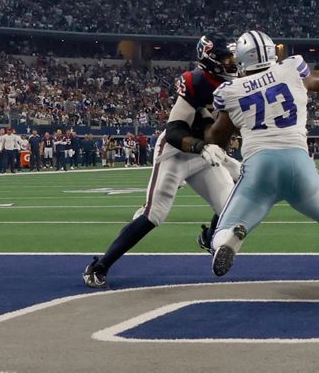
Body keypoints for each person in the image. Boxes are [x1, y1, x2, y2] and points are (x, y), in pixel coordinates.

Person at [205, 30, 319, 291]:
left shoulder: (230, 90)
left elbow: (218, 136)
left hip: (260, 166)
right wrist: (314, 79)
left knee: (219, 234)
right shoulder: (292, 67)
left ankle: (231, 240)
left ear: (241, 60)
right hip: (298, 161)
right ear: (273, 52)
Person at [83, 34, 241, 289]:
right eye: (227, 57)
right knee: (153, 215)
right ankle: (100, 265)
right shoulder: (196, 82)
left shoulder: (239, 82)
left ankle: (209, 238)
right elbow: (175, 130)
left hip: (207, 152)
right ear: (211, 59)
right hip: (177, 152)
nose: (233, 63)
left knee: (231, 208)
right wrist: (200, 146)